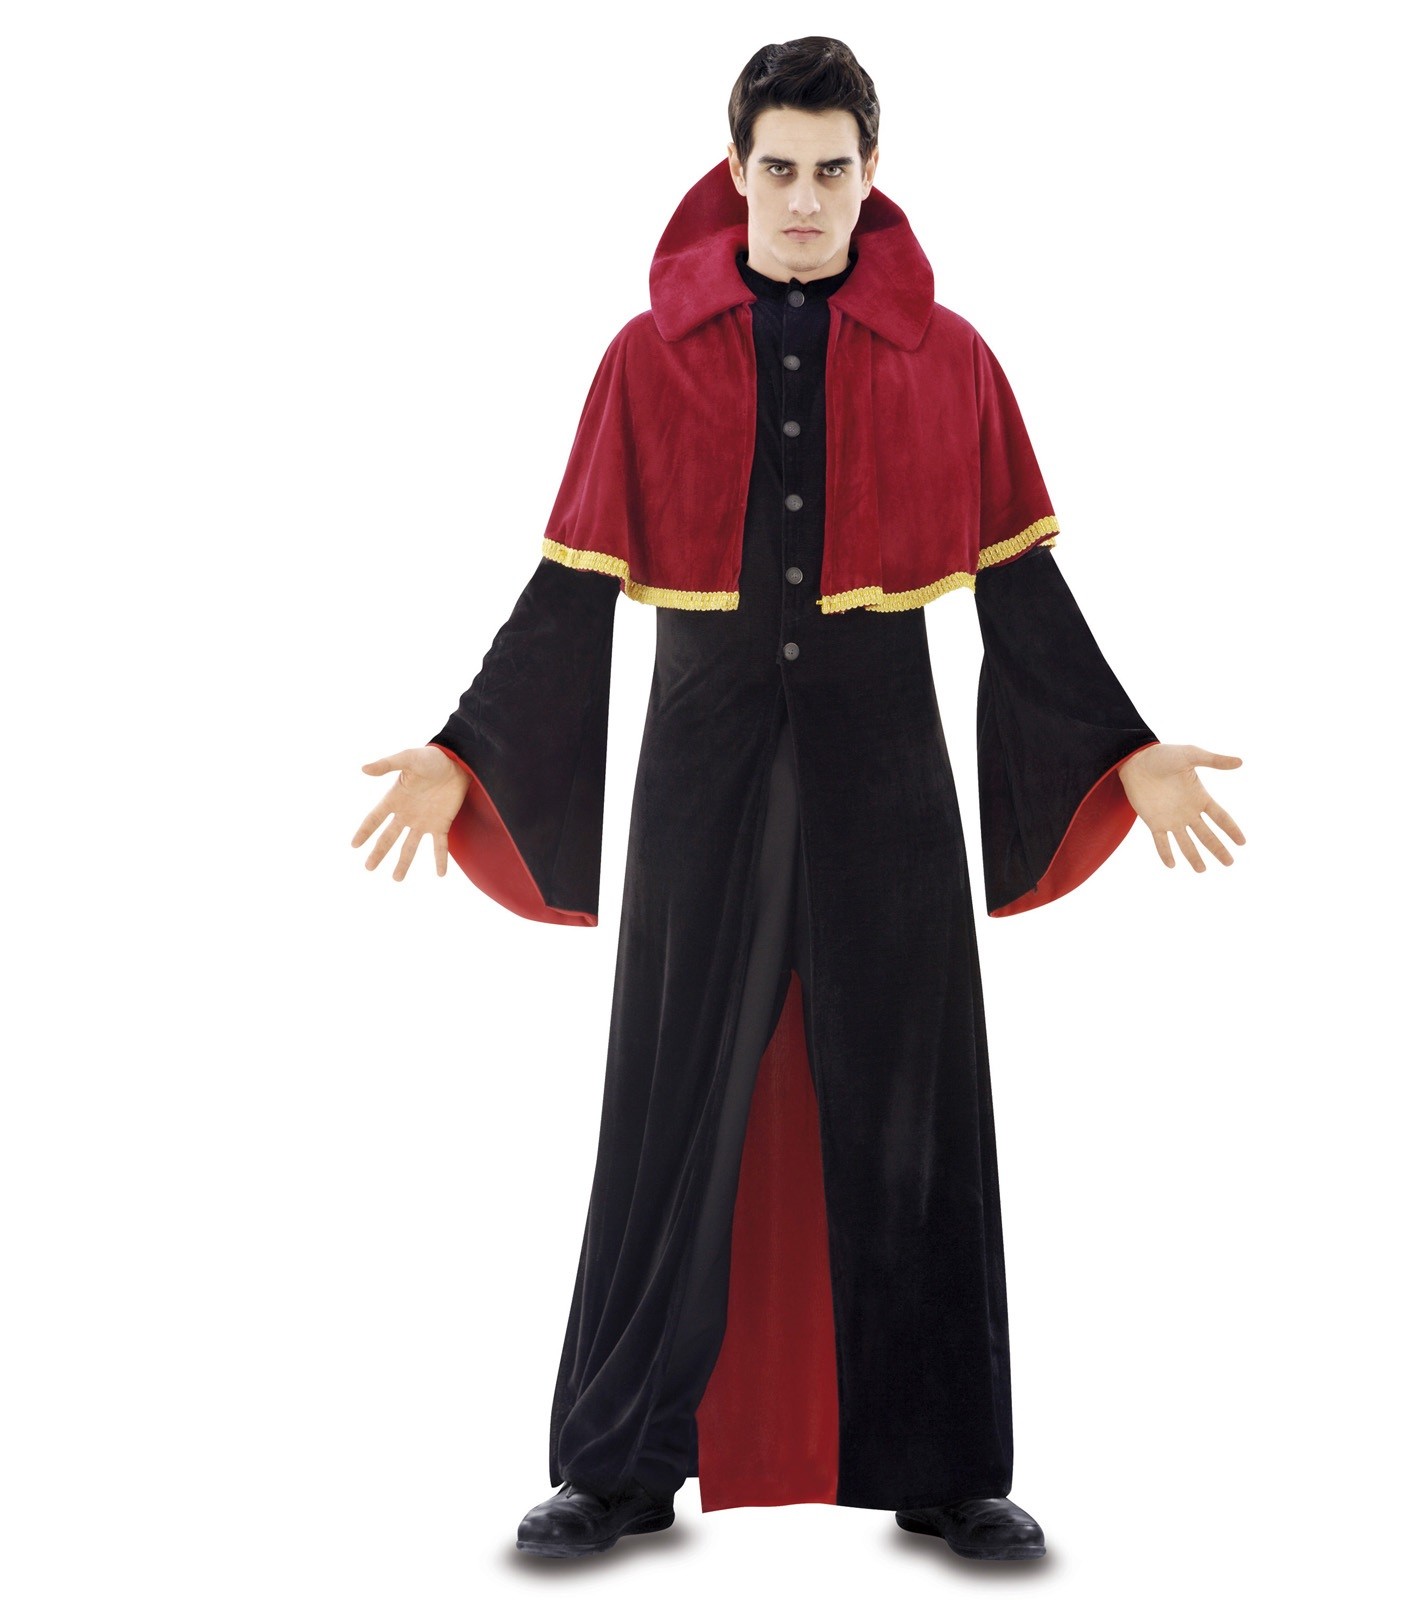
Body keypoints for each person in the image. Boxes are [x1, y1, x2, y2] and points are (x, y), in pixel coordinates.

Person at [351, 37, 1245, 1564]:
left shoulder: (950, 358)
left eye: (835, 170)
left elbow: (1020, 583)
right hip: (700, 763)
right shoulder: (645, 358)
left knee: (912, 1105)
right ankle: (616, 1468)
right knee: (669, 1104)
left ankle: (949, 1467)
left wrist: (1124, 745)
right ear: (736, 169)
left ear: (871, 174)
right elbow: (571, 587)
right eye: (781, 168)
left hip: (884, 763)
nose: (807, 199)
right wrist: (463, 748)